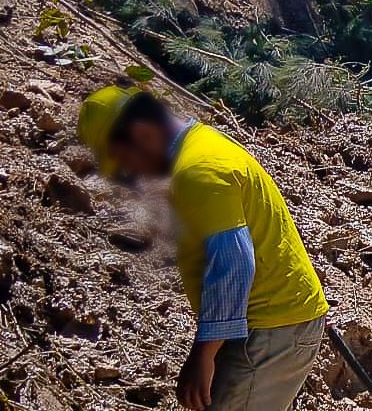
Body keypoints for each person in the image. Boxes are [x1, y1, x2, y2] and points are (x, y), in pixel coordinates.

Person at [78, 84, 329, 410]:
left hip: (269, 331)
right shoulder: (206, 145)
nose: (133, 173)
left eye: (126, 161)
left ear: (141, 133)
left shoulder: (198, 171)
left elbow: (235, 264)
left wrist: (203, 354)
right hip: (275, 322)